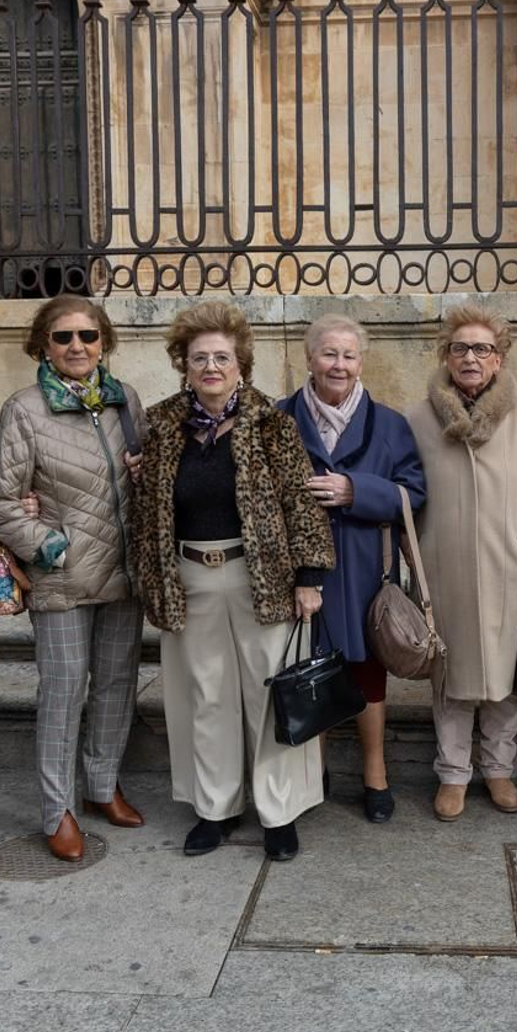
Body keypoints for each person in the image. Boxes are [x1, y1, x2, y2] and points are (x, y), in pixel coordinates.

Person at [133, 301, 334, 862]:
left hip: (260, 577)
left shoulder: (272, 422)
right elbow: (146, 506)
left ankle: (278, 811)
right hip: (189, 576)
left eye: (222, 357)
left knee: (269, 695)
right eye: (200, 358)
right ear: (184, 365)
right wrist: (152, 576)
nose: (212, 367)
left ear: (241, 364)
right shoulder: (163, 424)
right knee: (206, 697)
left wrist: (309, 574)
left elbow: (301, 499)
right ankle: (214, 809)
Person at [0, 295, 148, 862]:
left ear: (103, 341)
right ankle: (57, 808)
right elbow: (4, 504)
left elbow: (144, 476)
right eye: (63, 337)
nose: (77, 346)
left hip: (124, 574)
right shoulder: (25, 409)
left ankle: (103, 786)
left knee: (115, 685)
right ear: (43, 345)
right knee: (62, 692)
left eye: (87, 335)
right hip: (62, 580)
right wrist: (51, 549)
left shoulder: (125, 400)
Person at [405, 303, 517, 822]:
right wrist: (416, 561)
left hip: (508, 574)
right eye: (460, 348)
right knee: (448, 678)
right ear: (446, 357)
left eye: (482, 349)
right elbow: (407, 498)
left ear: (498, 360)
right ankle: (452, 773)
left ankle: (499, 769)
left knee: (505, 680)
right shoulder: (416, 421)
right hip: (443, 573)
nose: (470, 357)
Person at [278, 314, 426, 824]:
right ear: (309, 358)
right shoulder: (278, 417)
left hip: (365, 567)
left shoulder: (389, 424)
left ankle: (375, 774)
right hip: (302, 575)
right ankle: (311, 774)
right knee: (310, 669)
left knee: (367, 671)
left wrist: (356, 491)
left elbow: (414, 492)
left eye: (348, 355)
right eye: (328, 353)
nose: (338, 364)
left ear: (361, 361)